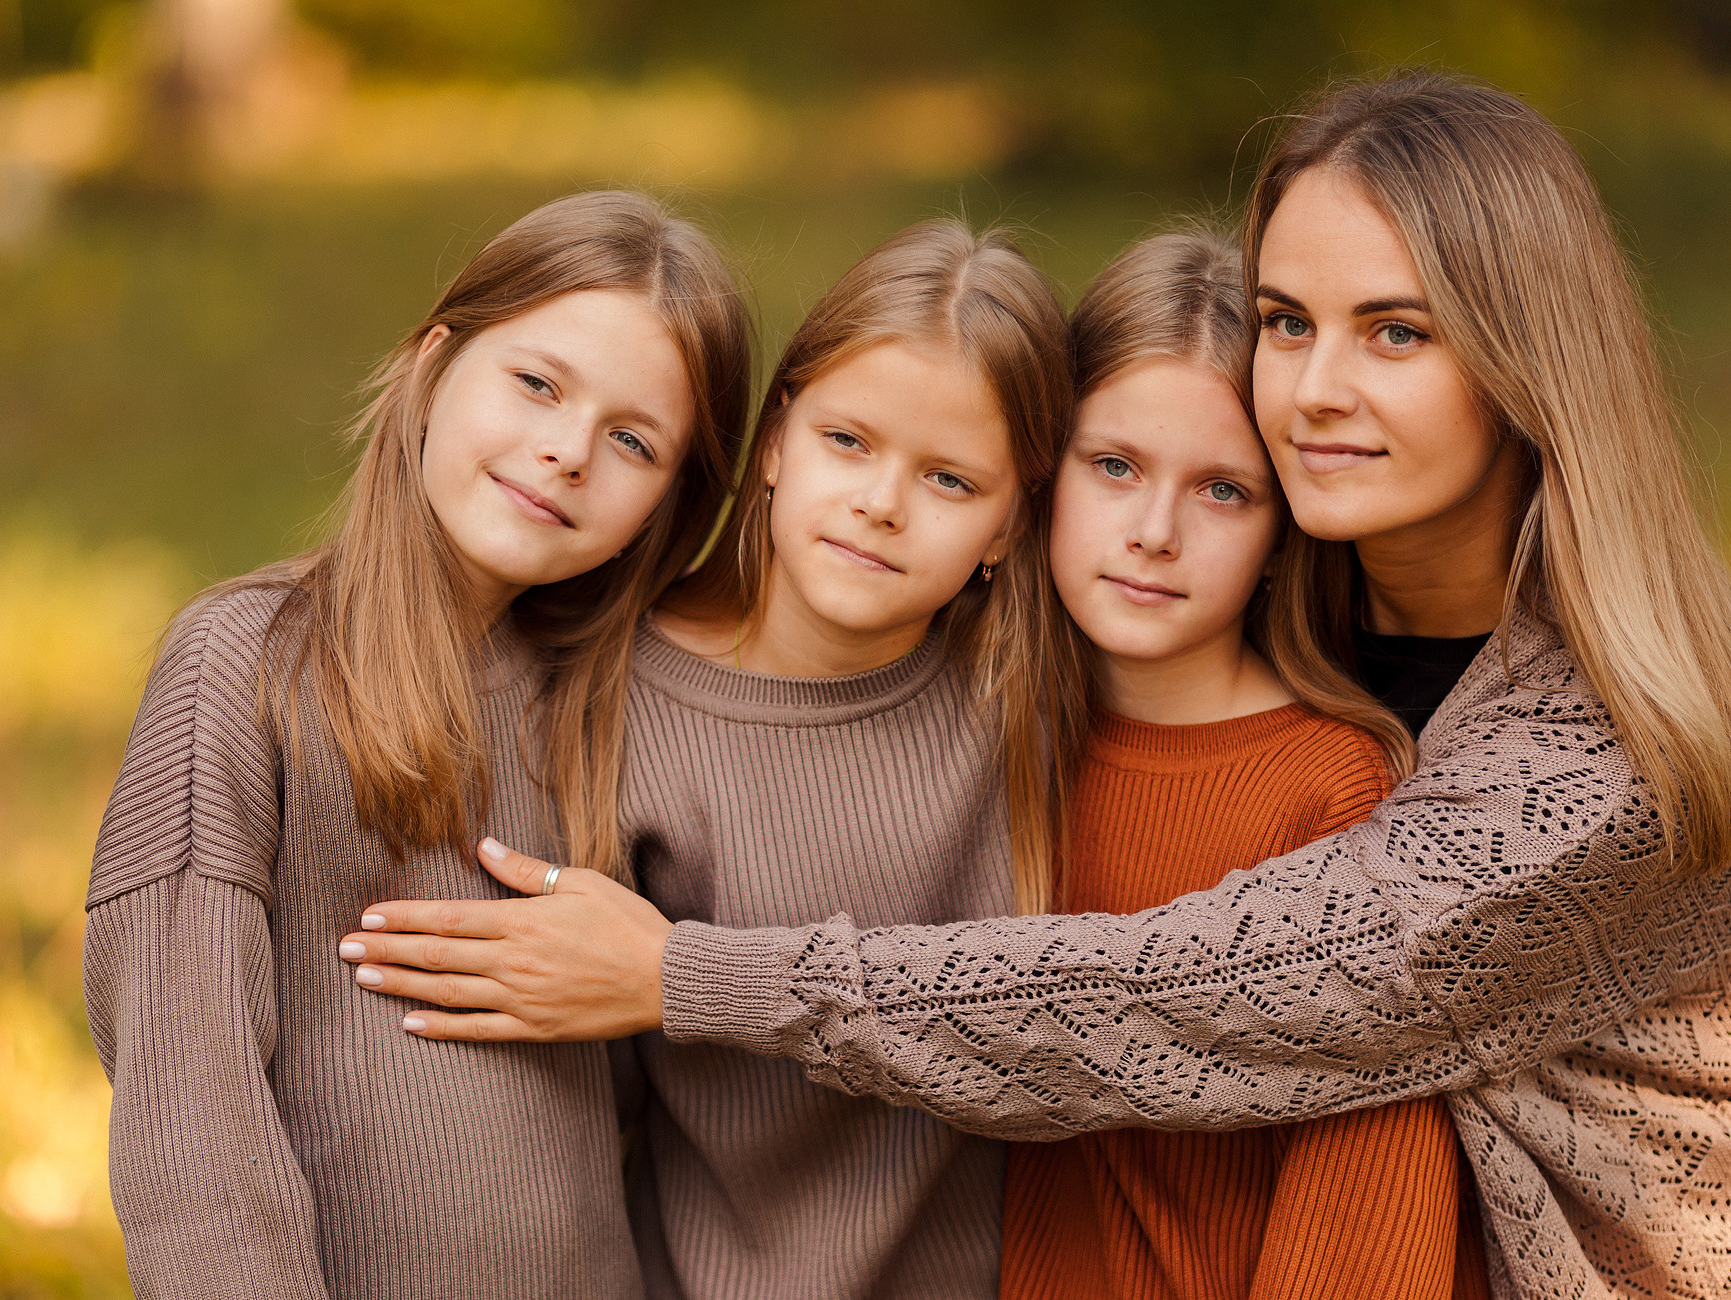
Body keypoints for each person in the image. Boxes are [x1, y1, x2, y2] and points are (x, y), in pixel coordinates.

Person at [337, 73, 1731, 1299]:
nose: (1311, 388)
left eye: (1396, 334)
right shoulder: (1279, 615)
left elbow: (1216, 989)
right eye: (1286, 321)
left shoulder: (1604, 750)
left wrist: (685, 973)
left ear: (1524, 356)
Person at [356, 217, 1071, 1298]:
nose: (881, 503)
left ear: (1013, 523)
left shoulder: (1033, 707)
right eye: (850, 442)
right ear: (776, 441)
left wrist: (685, 976)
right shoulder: (608, 694)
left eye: (950, 482)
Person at [81, 190, 751, 1299]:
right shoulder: (247, 663)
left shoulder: (625, 710)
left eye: (633, 440)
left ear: (671, 505)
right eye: (537, 383)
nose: (566, 451)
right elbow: (190, 1121)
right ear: (434, 364)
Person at [1002, 227, 1483, 1299]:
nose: (1155, 531)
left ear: (1282, 533)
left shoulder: (1332, 786)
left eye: (1223, 490)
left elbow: (1369, 1196)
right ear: (1045, 473)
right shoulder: (994, 745)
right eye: (1115, 466)